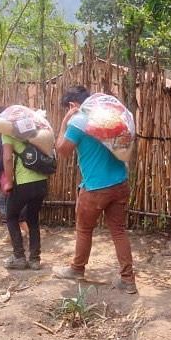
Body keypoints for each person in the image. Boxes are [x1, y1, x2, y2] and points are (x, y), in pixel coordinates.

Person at [54, 85, 137, 294]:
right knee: (118, 231)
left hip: (95, 188)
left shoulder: (79, 121)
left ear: (73, 105)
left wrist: (64, 122)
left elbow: (62, 150)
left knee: (84, 229)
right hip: (120, 183)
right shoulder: (110, 119)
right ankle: (128, 280)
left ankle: (77, 269)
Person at [0, 113, 49, 270]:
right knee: (33, 218)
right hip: (41, 181)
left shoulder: (8, 134)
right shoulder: (37, 132)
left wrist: (9, 182)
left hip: (23, 183)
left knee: (11, 216)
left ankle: (19, 256)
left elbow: (6, 158)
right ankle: (35, 259)